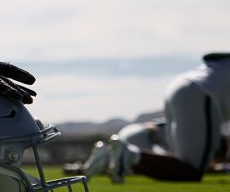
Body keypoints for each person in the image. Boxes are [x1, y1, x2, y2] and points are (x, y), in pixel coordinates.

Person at [83, 53, 230, 182]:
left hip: (182, 85)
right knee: (191, 170)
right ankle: (128, 155)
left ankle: (111, 158)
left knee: (183, 164)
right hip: (200, 91)